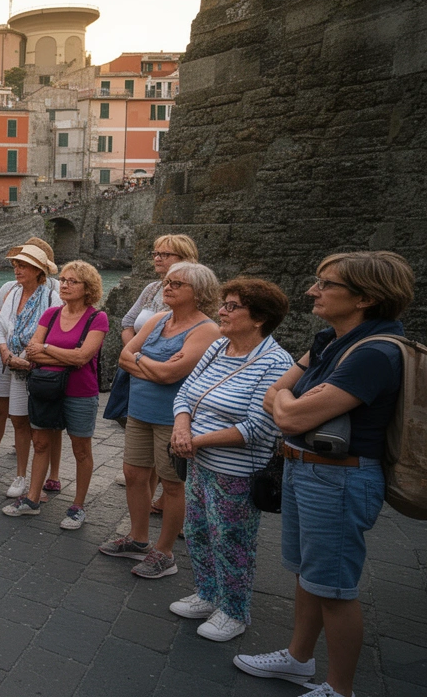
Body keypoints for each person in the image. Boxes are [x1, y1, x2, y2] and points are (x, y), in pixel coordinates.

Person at [236, 252, 414, 697]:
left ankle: (340, 688)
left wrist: (288, 408)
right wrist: (287, 407)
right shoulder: (328, 339)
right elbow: (274, 396)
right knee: (307, 574)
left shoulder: (374, 354)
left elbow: (290, 416)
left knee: (334, 587)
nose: (313, 291)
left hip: (339, 479)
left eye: (326, 284)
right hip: (305, 470)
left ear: (366, 298)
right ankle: (298, 658)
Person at [168, 278, 291, 642]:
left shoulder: (276, 363)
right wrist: (181, 426)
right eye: (224, 303)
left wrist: (195, 440)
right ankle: (207, 594)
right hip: (199, 460)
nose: (221, 310)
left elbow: (256, 427)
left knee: (232, 539)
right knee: (198, 530)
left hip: (234, 471)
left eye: (232, 305)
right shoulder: (219, 347)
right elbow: (187, 392)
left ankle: (234, 611)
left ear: (259, 318)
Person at [104, 261, 221, 579]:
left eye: (177, 284)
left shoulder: (207, 329)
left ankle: (165, 552)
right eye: (167, 282)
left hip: (173, 419)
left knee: (171, 483)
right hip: (139, 412)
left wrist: (141, 361)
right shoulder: (157, 319)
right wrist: (151, 363)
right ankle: (139, 539)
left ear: (199, 292)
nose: (166, 287)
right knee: (133, 474)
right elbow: (124, 357)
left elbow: (173, 374)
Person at [2, 261, 108, 529]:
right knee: (41, 443)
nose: (65, 285)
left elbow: (83, 357)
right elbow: (32, 349)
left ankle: (78, 506)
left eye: (73, 281)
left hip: (80, 392)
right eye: (62, 279)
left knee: (81, 448)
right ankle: (32, 499)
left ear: (88, 288)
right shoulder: (50, 314)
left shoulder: (97, 318)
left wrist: (48, 349)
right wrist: (65, 356)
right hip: (46, 389)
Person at [115, 234, 200, 491]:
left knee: (169, 445)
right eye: (155, 253)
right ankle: (152, 488)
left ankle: (168, 496)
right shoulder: (152, 288)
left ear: (184, 259)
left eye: (165, 254)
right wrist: (138, 354)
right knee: (140, 441)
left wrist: (139, 358)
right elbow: (127, 323)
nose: (157, 258)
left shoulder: (194, 293)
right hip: (141, 370)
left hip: (166, 384)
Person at [0, 243, 60, 496]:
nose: (17, 270)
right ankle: (19, 475)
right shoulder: (13, 294)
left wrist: (29, 358)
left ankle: (32, 476)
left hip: (36, 367)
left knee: (36, 424)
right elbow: (2, 326)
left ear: (39, 270)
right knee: (17, 419)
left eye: (23, 265)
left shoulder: (51, 296)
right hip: (13, 365)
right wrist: (6, 353)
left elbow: (55, 331)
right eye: (16, 265)